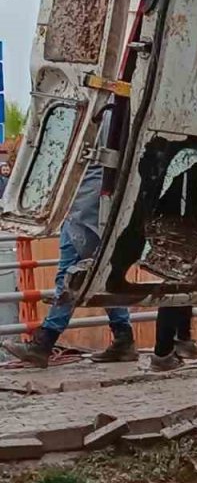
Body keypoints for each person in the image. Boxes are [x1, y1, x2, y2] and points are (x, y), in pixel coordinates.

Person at [1, 110, 137, 368]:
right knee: (83, 273)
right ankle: (122, 336)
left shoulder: (106, 111)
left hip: (88, 201)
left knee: (80, 274)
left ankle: (45, 343)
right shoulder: (97, 109)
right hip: (77, 202)